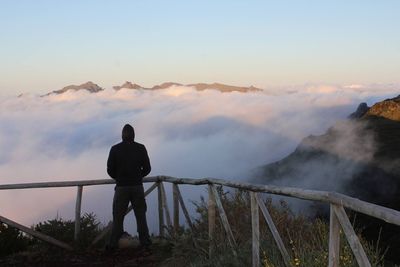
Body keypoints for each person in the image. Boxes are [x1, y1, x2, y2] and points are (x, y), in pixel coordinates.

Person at [107, 124, 152, 250]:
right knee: (141, 216)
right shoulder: (141, 148)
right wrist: (138, 176)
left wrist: (119, 178)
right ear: (134, 135)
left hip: (121, 188)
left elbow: (110, 169)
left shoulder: (115, 149)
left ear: (122, 135)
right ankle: (145, 243)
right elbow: (147, 168)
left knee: (118, 216)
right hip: (137, 186)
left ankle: (113, 244)